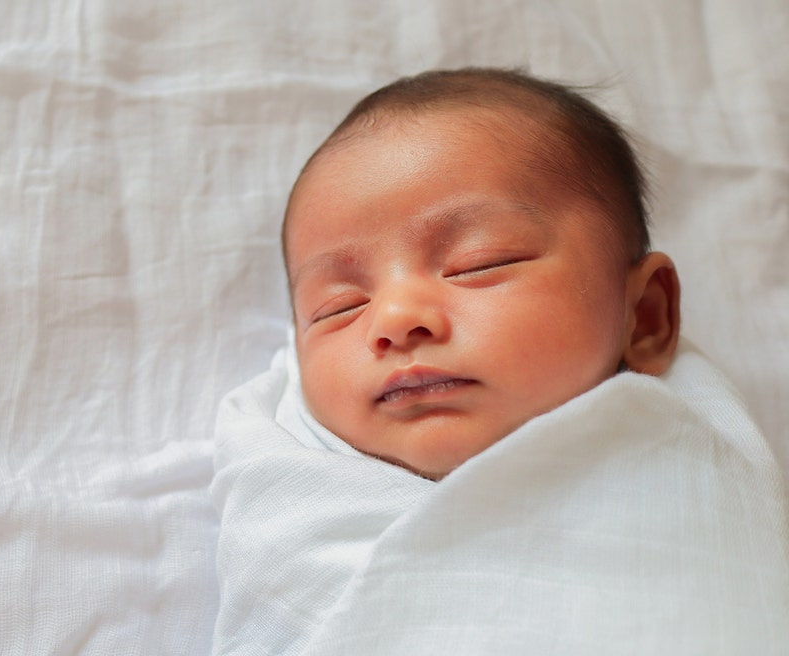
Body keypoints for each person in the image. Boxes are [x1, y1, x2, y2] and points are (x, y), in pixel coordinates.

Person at [283, 67, 681, 479]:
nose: (396, 319)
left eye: (481, 263)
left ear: (644, 317)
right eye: (338, 306)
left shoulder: (688, 480)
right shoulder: (285, 486)